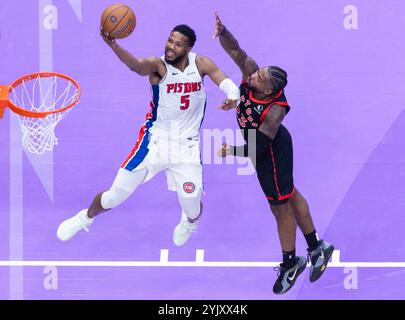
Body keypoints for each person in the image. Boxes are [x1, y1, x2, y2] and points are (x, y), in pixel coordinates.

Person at [57, 24, 240, 247]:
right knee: (113, 197)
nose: (171, 47)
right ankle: (84, 218)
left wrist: (233, 96)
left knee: (192, 206)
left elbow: (225, 81)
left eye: (178, 44)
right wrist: (113, 45)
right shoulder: (158, 66)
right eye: (170, 40)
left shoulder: (200, 63)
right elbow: (136, 66)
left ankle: (189, 223)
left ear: (189, 48)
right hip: (154, 143)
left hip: (186, 148)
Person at [213, 13, 334, 295]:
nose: (253, 73)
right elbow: (235, 50)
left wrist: (230, 149)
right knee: (289, 194)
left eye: (259, 76)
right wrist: (223, 31)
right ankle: (318, 247)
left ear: (268, 90)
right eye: (257, 71)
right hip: (262, 146)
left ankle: (291, 263)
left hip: (271, 150)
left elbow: (256, 148)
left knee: (280, 206)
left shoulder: (275, 110)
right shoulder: (252, 75)